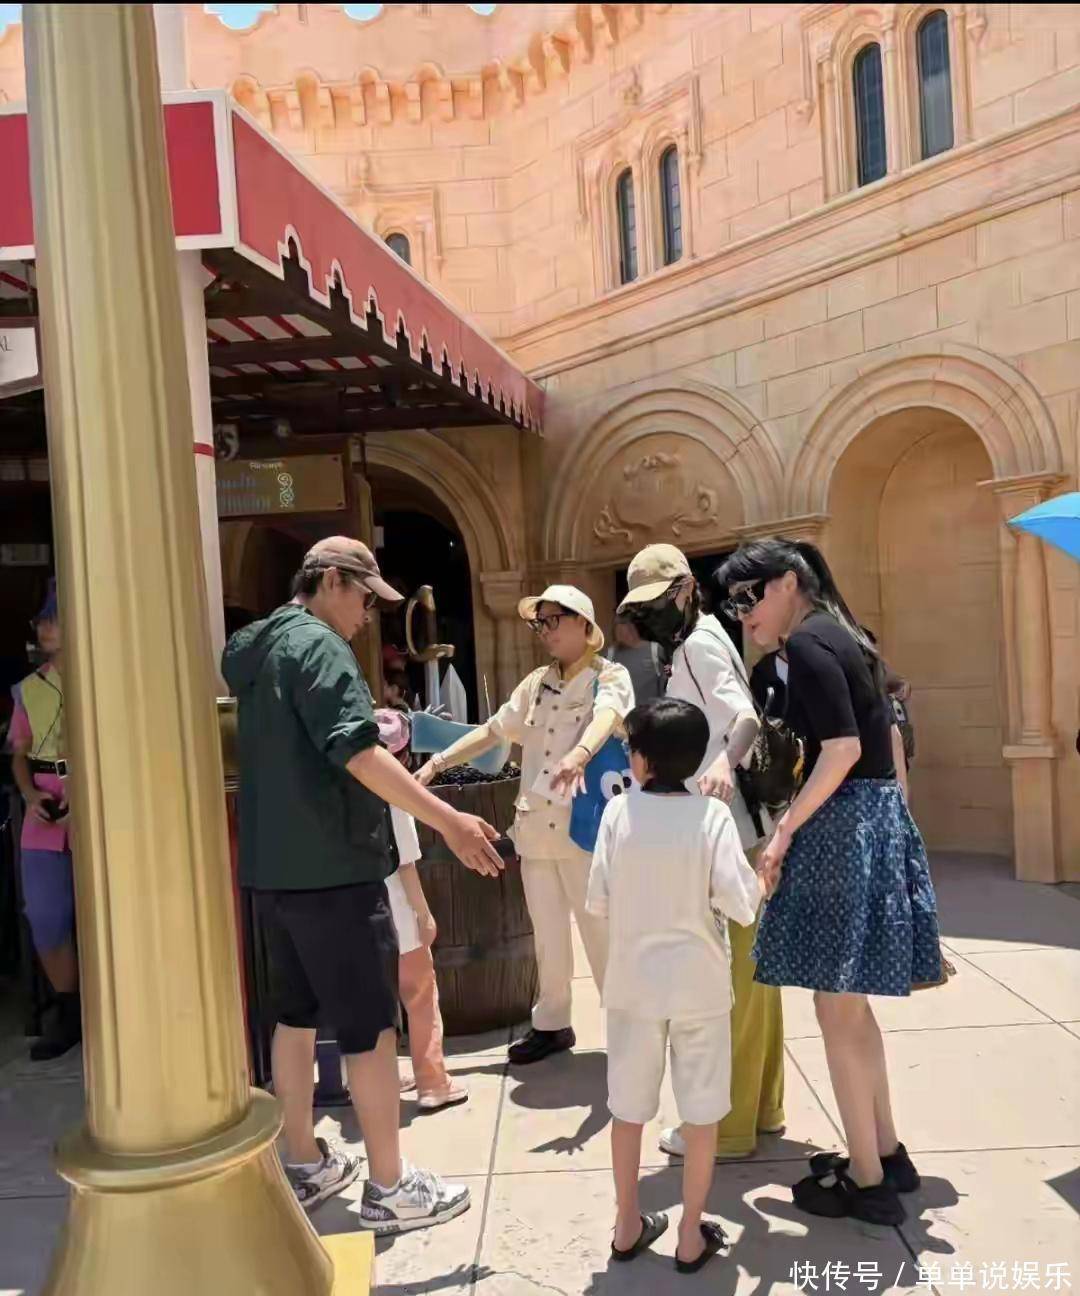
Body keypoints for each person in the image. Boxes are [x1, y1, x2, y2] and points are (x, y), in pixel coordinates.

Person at [223, 536, 503, 1235]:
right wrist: (449, 821)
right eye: (363, 598)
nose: (366, 615)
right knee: (369, 1029)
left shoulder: (256, 649)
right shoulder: (320, 649)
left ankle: (303, 1161)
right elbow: (357, 751)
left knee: (293, 1019)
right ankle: (389, 1187)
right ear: (330, 581)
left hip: (273, 872)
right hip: (336, 871)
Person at [716, 538, 943, 1225]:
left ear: (788, 582)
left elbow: (841, 749)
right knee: (851, 1007)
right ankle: (887, 1153)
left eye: (750, 596)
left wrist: (784, 831)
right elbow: (882, 743)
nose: (744, 612)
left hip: (842, 829)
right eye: (735, 602)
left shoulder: (811, 644)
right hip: (869, 822)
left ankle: (866, 1181)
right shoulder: (844, 635)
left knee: (835, 1009)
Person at [415, 585, 633, 1065]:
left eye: (553, 620)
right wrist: (438, 763)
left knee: (602, 934)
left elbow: (608, 716)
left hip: (584, 829)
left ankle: (626, 1030)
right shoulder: (536, 683)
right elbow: (494, 730)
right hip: (535, 831)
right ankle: (552, 1024)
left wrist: (579, 754)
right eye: (540, 623)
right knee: (547, 936)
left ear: (583, 623)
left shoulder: (608, 676)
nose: (544, 631)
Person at [618, 544, 784, 1161]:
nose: (651, 614)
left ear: (687, 588)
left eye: (659, 599)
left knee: (728, 986)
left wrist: (721, 763)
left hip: (723, 833)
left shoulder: (697, 646)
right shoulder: (709, 637)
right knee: (755, 978)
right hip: (742, 829)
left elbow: (742, 719)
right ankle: (761, 1110)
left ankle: (726, 1127)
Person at [585, 698, 762, 1273]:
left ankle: (627, 1223)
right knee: (701, 1113)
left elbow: (598, 900)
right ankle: (690, 1235)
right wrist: (765, 876)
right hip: (699, 986)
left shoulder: (618, 814)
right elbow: (741, 903)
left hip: (632, 985)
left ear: (642, 759)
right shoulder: (712, 818)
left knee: (628, 1108)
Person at [375, 707, 467, 1113]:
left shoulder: (344, 788)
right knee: (420, 996)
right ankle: (432, 1082)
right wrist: (425, 915)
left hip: (358, 916)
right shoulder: (396, 795)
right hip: (399, 916)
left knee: (375, 1001)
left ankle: (380, 1075)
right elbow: (406, 863)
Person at [8, 581, 81, 1061]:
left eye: (53, 619)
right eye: (42, 620)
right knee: (45, 916)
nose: (44, 628)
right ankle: (69, 1012)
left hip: (94, 806)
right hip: (44, 811)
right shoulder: (28, 689)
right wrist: (30, 793)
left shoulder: (96, 680)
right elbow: (19, 752)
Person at [610, 612, 665, 704]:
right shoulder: (610, 655)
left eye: (623, 623)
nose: (620, 630)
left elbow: (665, 686)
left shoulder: (654, 650)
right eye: (616, 625)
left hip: (651, 710)